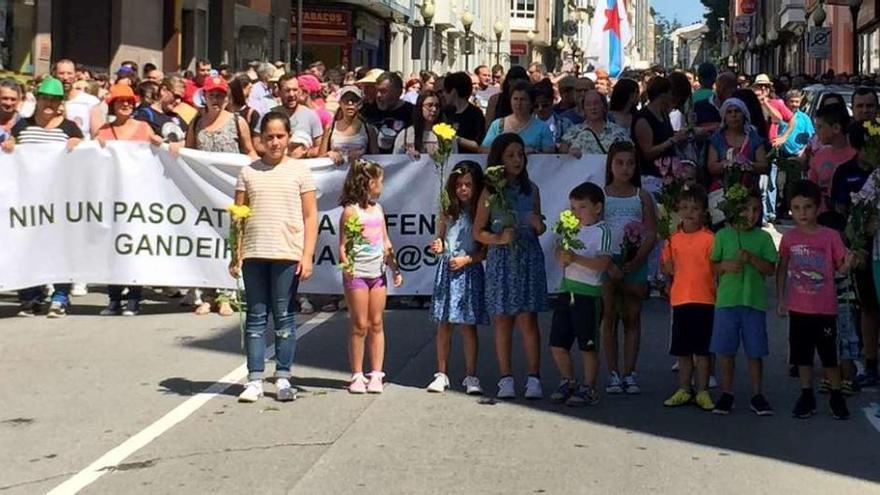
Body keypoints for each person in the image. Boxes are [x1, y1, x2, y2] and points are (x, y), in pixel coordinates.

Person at [232, 111, 318, 403]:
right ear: (260, 139)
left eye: (280, 136)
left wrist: (307, 255)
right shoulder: (248, 172)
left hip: (287, 252)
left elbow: (310, 215)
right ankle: (254, 379)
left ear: (289, 137)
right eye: (269, 137)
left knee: (284, 317)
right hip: (255, 253)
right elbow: (238, 218)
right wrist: (236, 253)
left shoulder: (300, 171)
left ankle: (283, 377)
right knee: (256, 317)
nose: (275, 142)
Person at [472, 133, 548, 399]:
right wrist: (498, 239)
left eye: (520, 155)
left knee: (528, 318)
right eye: (511, 155)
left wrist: (540, 226)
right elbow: (478, 231)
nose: (517, 160)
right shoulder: (490, 193)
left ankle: (534, 376)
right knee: (503, 320)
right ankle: (506, 377)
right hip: (502, 260)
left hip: (527, 257)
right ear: (499, 160)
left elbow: (539, 223)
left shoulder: (532, 189)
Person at [4, 76, 83, 318]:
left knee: (59, 246)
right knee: (26, 244)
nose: (49, 103)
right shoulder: (23, 126)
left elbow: (86, 158)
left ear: (61, 102)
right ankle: (30, 296)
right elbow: (13, 153)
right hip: (28, 199)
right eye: (45, 98)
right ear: (36, 100)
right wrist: (9, 144)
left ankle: (60, 296)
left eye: (54, 99)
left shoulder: (70, 127)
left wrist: (78, 143)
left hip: (59, 198)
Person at [777, 180, 851, 420]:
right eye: (796, 208)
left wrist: (848, 263)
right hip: (799, 307)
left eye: (807, 207)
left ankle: (836, 393)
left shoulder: (830, 237)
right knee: (802, 355)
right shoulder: (789, 239)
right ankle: (806, 393)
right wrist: (781, 298)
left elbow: (841, 266)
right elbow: (782, 267)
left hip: (824, 308)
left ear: (817, 208)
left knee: (829, 355)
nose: (802, 213)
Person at [185, 75, 258, 316]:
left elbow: (249, 151)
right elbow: (189, 152)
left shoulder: (238, 122)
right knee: (206, 239)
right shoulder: (197, 122)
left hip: (232, 192)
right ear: (204, 97)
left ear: (227, 98)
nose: (216, 99)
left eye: (220, 95)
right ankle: (207, 294)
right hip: (205, 193)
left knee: (230, 240)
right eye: (212, 95)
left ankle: (228, 294)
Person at [709, 189, 778, 416]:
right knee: (726, 351)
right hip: (727, 303)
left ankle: (757, 394)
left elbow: (770, 269)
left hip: (754, 303)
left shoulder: (763, 238)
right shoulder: (723, 236)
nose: (751, 214)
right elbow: (712, 265)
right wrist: (724, 267)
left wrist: (753, 259)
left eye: (756, 210)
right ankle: (727, 392)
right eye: (745, 209)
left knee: (755, 351)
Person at [95, 84, 161, 316]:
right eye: (120, 101)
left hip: (138, 198)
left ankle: (134, 298)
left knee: (134, 247)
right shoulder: (103, 131)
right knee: (111, 248)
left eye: (129, 101)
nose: (125, 104)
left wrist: (167, 147)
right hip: (111, 198)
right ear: (112, 104)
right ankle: (114, 298)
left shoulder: (143, 128)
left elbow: (158, 148)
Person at [338, 161, 404, 394]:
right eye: (380, 180)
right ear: (368, 182)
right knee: (360, 324)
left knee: (377, 322)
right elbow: (343, 246)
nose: (382, 185)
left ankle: (376, 373)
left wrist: (394, 267)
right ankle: (357, 374)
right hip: (357, 274)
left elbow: (385, 241)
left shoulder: (378, 210)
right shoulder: (350, 212)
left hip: (377, 274)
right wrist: (347, 266)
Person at [426, 161, 489, 394]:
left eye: (468, 185)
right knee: (445, 323)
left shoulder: (480, 212)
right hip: (447, 270)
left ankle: (471, 375)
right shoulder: (447, 209)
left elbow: (484, 250)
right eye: (459, 185)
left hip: (469, 270)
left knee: (468, 326)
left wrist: (468, 259)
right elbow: (441, 238)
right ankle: (441, 373)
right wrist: (438, 245)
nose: (463, 189)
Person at [601, 141, 657, 395]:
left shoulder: (642, 196)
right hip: (608, 263)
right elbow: (596, 230)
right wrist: (609, 262)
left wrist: (636, 260)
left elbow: (651, 232)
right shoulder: (601, 195)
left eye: (630, 163)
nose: (625, 168)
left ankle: (629, 372)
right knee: (609, 317)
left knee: (632, 317)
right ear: (610, 165)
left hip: (635, 263)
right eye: (619, 163)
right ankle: (612, 372)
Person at [549, 182, 612, 406]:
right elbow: (559, 252)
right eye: (573, 208)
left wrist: (575, 258)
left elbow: (603, 263)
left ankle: (589, 386)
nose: (576, 213)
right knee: (557, 343)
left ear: (597, 208)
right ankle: (569, 380)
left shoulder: (602, 230)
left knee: (588, 345)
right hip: (566, 290)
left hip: (589, 295)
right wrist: (561, 254)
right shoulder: (569, 227)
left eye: (582, 207)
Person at [660, 185, 716, 411]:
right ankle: (684, 388)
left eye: (695, 208)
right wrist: (667, 268)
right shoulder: (673, 239)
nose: (689, 212)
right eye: (684, 207)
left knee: (703, 350)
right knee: (683, 350)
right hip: (681, 299)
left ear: (703, 211)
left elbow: (716, 268)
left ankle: (702, 390)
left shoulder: (710, 239)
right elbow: (666, 267)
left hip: (705, 300)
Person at [706, 98, 768, 229]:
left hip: (749, 195)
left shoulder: (754, 138)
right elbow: (711, 166)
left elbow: (763, 165)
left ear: (744, 114)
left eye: (737, 111)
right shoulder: (716, 139)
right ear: (724, 116)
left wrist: (747, 164)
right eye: (729, 112)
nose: (733, 115)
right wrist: (729, 164)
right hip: (722, 196)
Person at [633, 76, 687, 188]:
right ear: (663, 95)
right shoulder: (643, 119)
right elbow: (647, 153)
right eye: (670, 93)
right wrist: (672, 141)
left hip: (668, 173)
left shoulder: (664, 115)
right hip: (650, 176)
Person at [480, 80, 554, 154]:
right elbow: (483, 149)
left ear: (531, 103)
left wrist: (534, 152)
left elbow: (550, 156)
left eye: (523, 99)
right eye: (515, 99)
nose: (518, 103)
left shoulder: (542, 128)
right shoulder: (497, 125)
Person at [809, 104, 856, 213]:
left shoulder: (855, 156)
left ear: (836, 128)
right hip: (822, 220)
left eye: (820, 127)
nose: (817, 131)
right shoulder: (819, 155)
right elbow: (811, 189)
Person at [560, 89, 630, 156]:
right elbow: (561, 154)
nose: (593, 107)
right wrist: (569, 153)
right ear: (583, 109)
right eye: (588, 104)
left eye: (596, 103)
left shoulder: (619, 132)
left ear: (604, 106)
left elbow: (629, 154)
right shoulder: (573, 132)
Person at [320, 85, 378, 166]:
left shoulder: (369, 129)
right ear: (340, 103)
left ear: (360, 104)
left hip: (360, 174)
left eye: (354, 100)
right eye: (346, 100)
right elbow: (319, 158)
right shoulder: (330, 128)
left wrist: (363, 155)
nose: (350, 103)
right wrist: (329, 154)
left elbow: (377, 159)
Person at [270, 73, 324, 158]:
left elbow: (320, 147)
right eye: (287, 90)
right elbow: (258, 144)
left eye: (295, 90)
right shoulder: (270, 116)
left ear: (299, 91)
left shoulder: (311, 116)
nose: (292, 94)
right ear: (279, 92)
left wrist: (305, 152)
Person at [363, 72, 414, 154]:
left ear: (398, 92)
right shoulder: (367, 111)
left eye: (383, 91)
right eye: (377, 91)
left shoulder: (411, 112)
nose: (378, 95)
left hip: (400, 163)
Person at [393, 90, 455, 158]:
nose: (434, 109)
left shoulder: (447, 134)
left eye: (437, 106)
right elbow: (395, 162)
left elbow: (454, 159)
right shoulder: (405, 135)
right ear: (420, 107)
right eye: (430, 105)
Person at [54, 59, 102, 139]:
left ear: (76, 76)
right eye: (61, 73)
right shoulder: (48, 101)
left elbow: (97, 135)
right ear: (55, 75)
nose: (65, 77)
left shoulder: (90, 101)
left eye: (69, 73)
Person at [442, 72, 486, 153]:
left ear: (453, 92)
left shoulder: (475, 114)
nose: (443, 94)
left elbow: (479, 145)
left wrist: (455, 138)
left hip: (467, 161)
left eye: (446, 91)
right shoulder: (444, 113)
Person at [533, 79, 572, 144]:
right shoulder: (526, 125)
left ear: (552, 102)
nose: (540, 109)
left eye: (545, 105)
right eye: (536, 105)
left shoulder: (565, 124)